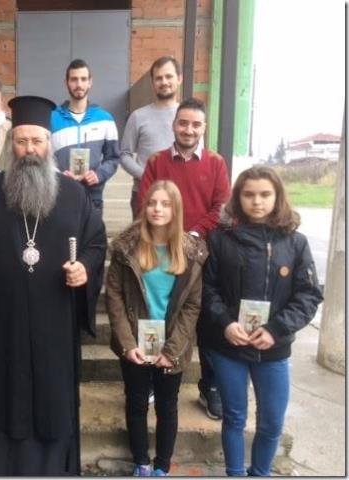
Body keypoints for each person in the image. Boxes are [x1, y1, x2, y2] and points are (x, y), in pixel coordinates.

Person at [0, 95, 107, 475]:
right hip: (1, 322)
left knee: (52, 396)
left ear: (49, 144)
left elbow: (96, 244)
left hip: (55, 321)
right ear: (11, 145)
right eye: (22, 141)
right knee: (1, 395)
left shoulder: (74, 194)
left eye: (37, 141)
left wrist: (85, 269)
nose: (30, 149)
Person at [202, 166, 323, 476]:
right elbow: (206, 289)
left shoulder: (295, 243)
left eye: (265, 194)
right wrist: (226, 323)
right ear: (238, 198)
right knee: (234, 417)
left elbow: (309, 294)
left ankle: (260, 473)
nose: (257, 202)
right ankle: (235, 473)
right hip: (229, 345)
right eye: (249, 195)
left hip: (273, 349)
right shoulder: (219, 240)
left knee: (271, 422)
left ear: (277, 196)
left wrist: (276, 329)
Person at [137, 97, 231, 420]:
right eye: (183, 123)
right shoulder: (156, 162)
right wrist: (168, 238)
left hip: (202, 254)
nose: (189, 130)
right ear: (174, 125)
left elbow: (221, 208)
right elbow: (146, 201)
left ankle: (210, 386)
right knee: (160, 312)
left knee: (206, 322)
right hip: (161, 252)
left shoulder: (216, 163)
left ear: (204, 128)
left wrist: (191, 235)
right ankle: (152, 377)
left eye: (196, 124)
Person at [105, 180, 207, 476]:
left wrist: (172, 350)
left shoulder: (191, 253)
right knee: (137, 403)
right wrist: (128, 344)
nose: (157, 209)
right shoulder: (126, 248)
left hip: (172, 343)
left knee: (167, 405)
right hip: (135, 343)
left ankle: (162, 465)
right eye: (152, 203)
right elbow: (114, 298)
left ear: (176, 209)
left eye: (165, 204)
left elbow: (192, 306)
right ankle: (141, 462)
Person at [51, 58, 120, 212]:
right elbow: (44, 159)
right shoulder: (52, 118)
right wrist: (59, 176)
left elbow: (113, 158)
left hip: (93, 197)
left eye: (83, 79)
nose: (79, 84)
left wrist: (99, 174)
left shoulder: (105, 119)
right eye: (74, 79)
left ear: (90, 82)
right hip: (60, 196)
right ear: (66, 83)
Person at [121, 56, 183, 220]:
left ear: (179, 79)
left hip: (178, 194)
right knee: (142, 237)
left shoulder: (188, 117)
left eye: (168, 76)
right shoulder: (138, 116)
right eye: (158, 78)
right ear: (153, 83)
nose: (164, 82)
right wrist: (146, 175)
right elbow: (124, 154)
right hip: (144, 193)